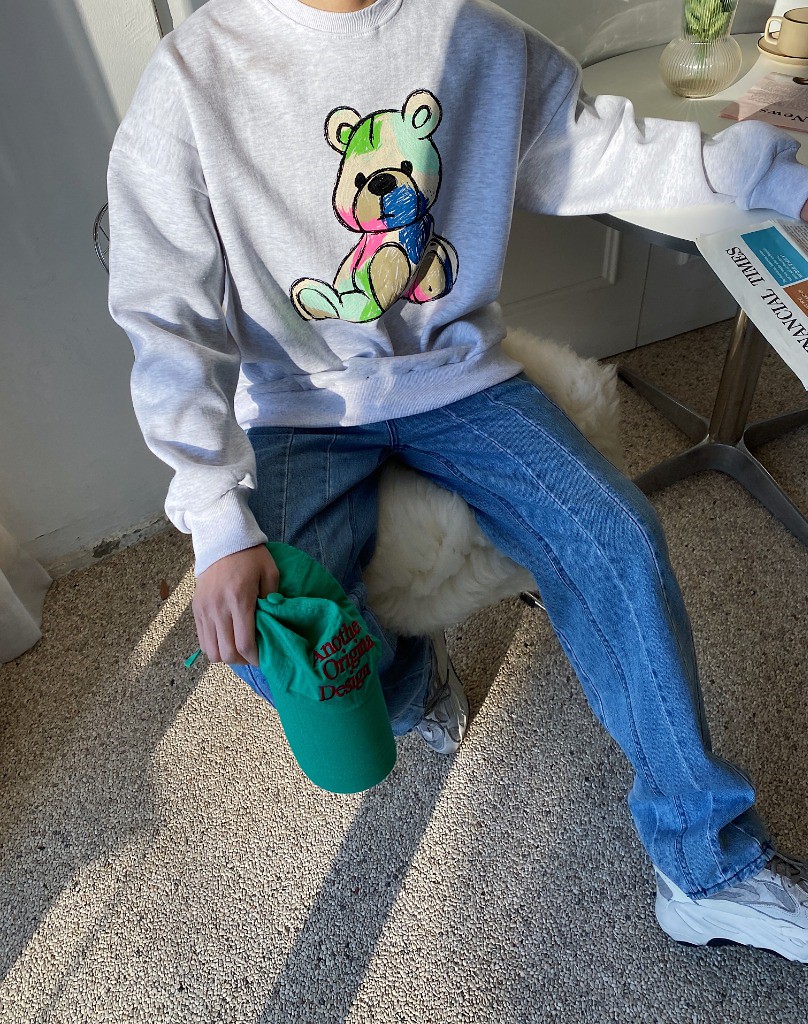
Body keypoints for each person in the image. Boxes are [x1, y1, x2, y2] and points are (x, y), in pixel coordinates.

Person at [107, 0, 808, 960]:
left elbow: (597, 145)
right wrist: (213, 515)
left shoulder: (473, 34)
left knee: (617, 538)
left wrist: (777, 173)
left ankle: (705, 865)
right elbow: (162, 313)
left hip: (457, 378)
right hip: (299, 403)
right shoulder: (194, 75)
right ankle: (408, 684)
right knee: (265, 634)